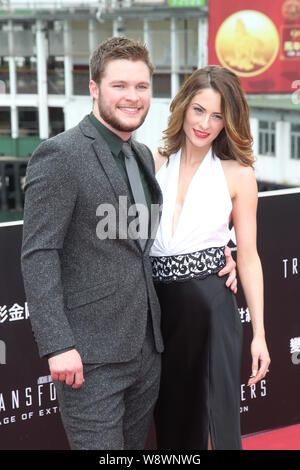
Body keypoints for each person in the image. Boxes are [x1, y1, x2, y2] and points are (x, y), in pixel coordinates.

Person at [21, 37, 237, 450]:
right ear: (94, 87)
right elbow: (38, 254)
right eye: (120, 85)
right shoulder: (60, 155)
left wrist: (223, 254)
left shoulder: (140, 155)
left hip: (148, 351)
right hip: (90, 357)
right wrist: (58, 345)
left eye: (141, 87)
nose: (132, 97)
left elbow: (154, 239)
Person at [150, 65, 271, 450]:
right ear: (183, 106)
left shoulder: (238, 174)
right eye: (199, 110)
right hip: (159, 313)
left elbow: (248, 257)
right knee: (173, 423)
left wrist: (261, 335)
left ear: (229, 121)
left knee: (211, 424)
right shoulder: (153, 162)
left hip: (211, 308)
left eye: (218, 115)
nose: (205, 123)